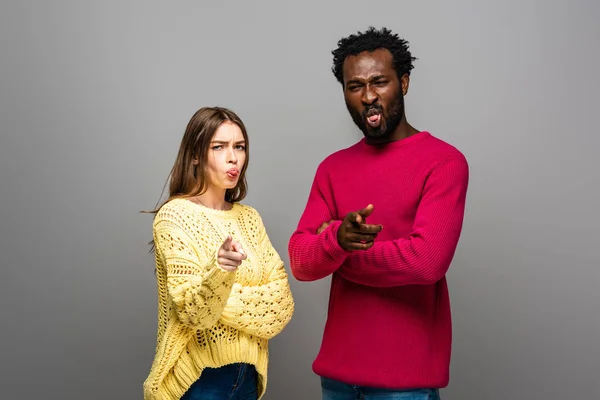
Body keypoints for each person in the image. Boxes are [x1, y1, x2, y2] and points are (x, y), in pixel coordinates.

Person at [288, 27, 469, 400]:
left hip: (406, 385)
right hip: (336, 379)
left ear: (403, 82)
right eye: (354, 86)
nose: (368, 96)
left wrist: (337, 251)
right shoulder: (332, 169)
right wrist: (338, 239)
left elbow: (426, 262)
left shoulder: (444, 162)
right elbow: (301, 262)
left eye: (379, 82)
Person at [143, 106, 294, 400]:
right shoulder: (174, 216)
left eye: (240, 147)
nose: (233, 157)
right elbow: (194, 313)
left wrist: (220, 300)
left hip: (249, 377)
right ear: (196, 155)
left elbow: (282, 306)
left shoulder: (250, 218)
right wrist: (222, 272)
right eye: (219, 147)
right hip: (199, 380)